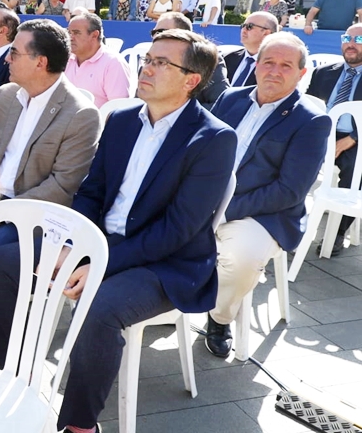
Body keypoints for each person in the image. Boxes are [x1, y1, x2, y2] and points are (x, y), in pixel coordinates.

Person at [51, 30, 237, 433]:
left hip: (169, 262)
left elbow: (179, 229)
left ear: (191, 81)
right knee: (9, 257)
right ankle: (5, 376)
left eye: (160, 63)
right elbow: (91, 192)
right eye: (147, 59)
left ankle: (80, 426)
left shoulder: (214, 138)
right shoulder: (120, 120)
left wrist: (98, 262)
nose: (146, 68)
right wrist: (73, 245)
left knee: (99, 308)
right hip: (105, 242)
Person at [0, 18, 102, 362]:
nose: (5, 60)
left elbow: (63, 187)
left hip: (36, 216)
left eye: (14, 53)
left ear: (40, 62)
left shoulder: (81, 114)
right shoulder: (6, 96)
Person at [204, 33, 329, 357]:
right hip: (206, 200)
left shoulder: (311, 121)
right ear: (256, 65)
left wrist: (226, 210)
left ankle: (219, 315)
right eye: (268, 62)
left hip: (263, 214)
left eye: (286, 65)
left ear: (302, 73)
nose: (274, 71)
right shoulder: (230, 99)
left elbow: (289, 190)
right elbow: (201, 151)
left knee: (240, 260)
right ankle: (170, 298)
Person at [306, 23, 362, 256]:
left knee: (354, 170)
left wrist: (352, 138)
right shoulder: (323, 72)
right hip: (320, 134)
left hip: (355, 138)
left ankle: (338, 233)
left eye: (358, 40)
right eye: (347, 38)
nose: (350, 44)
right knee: (285, 158)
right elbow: (307, 107)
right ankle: (284, 220)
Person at [152, 11, 229, 110]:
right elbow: (139, 100)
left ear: (183, 35)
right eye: (154, 33)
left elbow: (221, 104)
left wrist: (176, 114)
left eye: (162, 32)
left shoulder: (206, 60)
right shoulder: (150, 61)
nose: (156, 37)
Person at [66, 13, 134, 107]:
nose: (70, 37)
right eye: (69, 32)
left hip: (99, 121)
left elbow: (118, 109)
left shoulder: (113, 63)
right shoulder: (66, 59)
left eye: (76, 33)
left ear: (94, 35)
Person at [224, 11, 278, 87]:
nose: (243, 30)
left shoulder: (275, 67)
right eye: (243, 26)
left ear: (266, 33)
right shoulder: (228, 58)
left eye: (249, 26)